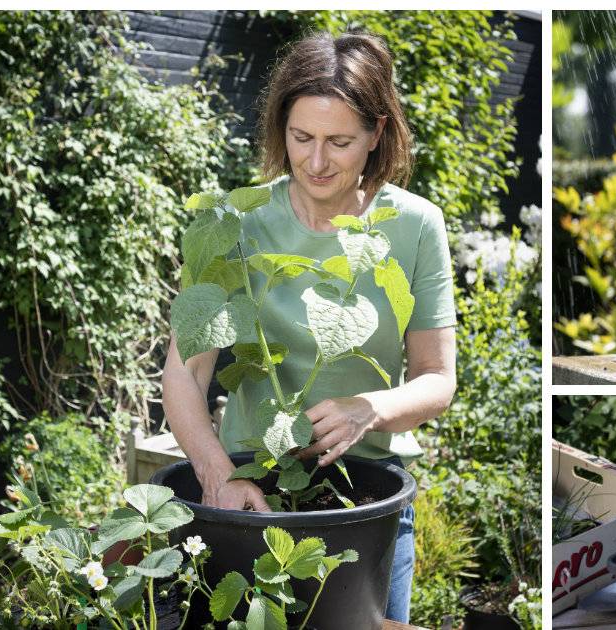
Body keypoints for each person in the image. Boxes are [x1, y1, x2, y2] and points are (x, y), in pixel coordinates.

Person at [161, 31, 457, 624]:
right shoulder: (236, 223)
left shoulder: (414, 225)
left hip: (365, 501)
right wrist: (217, 476)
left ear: (377, 133)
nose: (317, 162)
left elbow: (435, 378)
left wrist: (368, 408)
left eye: (340, 141)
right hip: (251, 494)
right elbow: (184, 373)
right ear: (281, 130)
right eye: (302, 138)